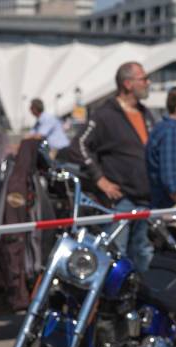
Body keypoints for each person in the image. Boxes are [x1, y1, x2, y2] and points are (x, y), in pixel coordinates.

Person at [67, 61, 154, 273]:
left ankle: (139, 299)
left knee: (143, 253)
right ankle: (110, 303)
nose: (148, 82)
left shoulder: (145, 113)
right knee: (116, 253)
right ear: (127, 84)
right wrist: (100, 179)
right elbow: (78, 145)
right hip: (121, 198)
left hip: (147, 197)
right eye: (143, 78)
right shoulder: (105, 114)